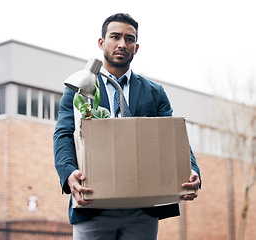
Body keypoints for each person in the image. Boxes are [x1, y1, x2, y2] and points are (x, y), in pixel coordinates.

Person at [53, 13, 201, 240]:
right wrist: (69, 173)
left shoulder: (155, 93)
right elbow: (63, 134)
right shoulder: (80, 87)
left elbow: (175, 139)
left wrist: (191, 170)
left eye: (129, 39)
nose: (122, 44)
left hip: (143, 209)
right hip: (93, 204)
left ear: (136, 47)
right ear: (101, 42)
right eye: (115, 37)